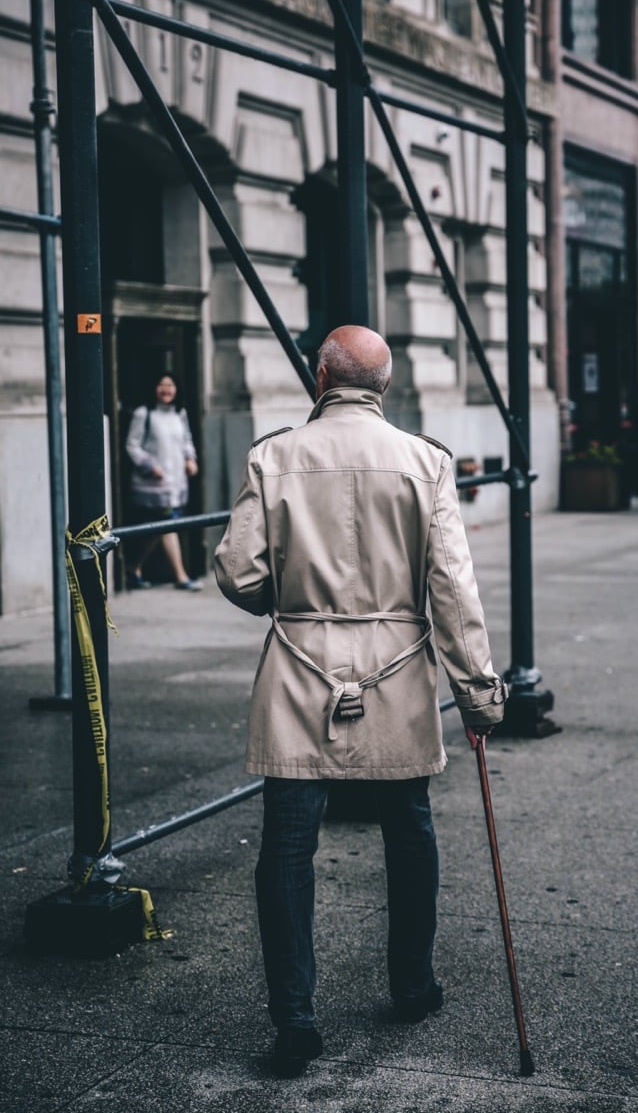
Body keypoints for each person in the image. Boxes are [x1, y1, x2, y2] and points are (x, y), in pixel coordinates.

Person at [214, 326, 506, 1078]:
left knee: (287, 839)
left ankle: (295, 1020)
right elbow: (452, 589)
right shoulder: (425, 461)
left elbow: (239, 575)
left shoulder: (274, 455)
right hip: (398, 666)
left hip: (299, 666)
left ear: (319, 378)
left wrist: (298, 599)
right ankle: (411, 985)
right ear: (385, 384)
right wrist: (478, 695)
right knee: (408, 824)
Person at [124, 372, 202, 591]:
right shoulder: (144, 413)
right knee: (168, 525)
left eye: (170, 385)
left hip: (176, 480)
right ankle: (181, 576)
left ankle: (133, 568)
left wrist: (190, 459)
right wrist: (150, 466)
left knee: (158, 528)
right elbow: (132, 445)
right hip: (153, 482)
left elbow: (186, 440)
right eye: (161, 385)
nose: (166, 389)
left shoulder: (180, 413)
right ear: (154, 389)